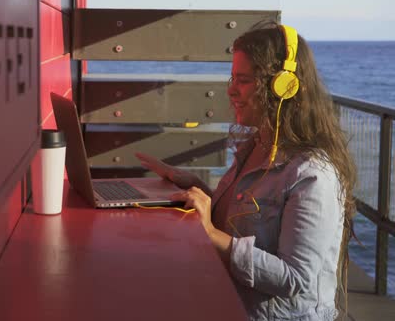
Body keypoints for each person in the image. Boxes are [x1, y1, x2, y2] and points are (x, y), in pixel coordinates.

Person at [136, 23, 356, 320]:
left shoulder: (313, 175)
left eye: (243, 80)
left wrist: (210, 233)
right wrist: (198, 189)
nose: (230, 90)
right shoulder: (257, 146)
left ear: (282, 86)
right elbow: (246, 222)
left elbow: (295, 278)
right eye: (232, 78)